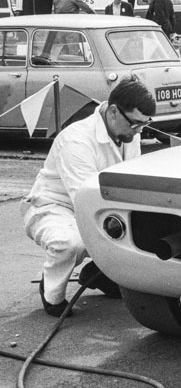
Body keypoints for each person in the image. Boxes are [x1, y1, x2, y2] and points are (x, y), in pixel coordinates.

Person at [20, 76, 156, 316]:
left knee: (147, 225)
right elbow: (86, 202)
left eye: (143, 125)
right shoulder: (76, 140)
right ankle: (51, 293)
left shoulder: (128, 134)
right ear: (113, 112)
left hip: (101, 202)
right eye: (135, 124)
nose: (138, 132)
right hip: (53, 207)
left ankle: (100, 273)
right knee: (70, 243)